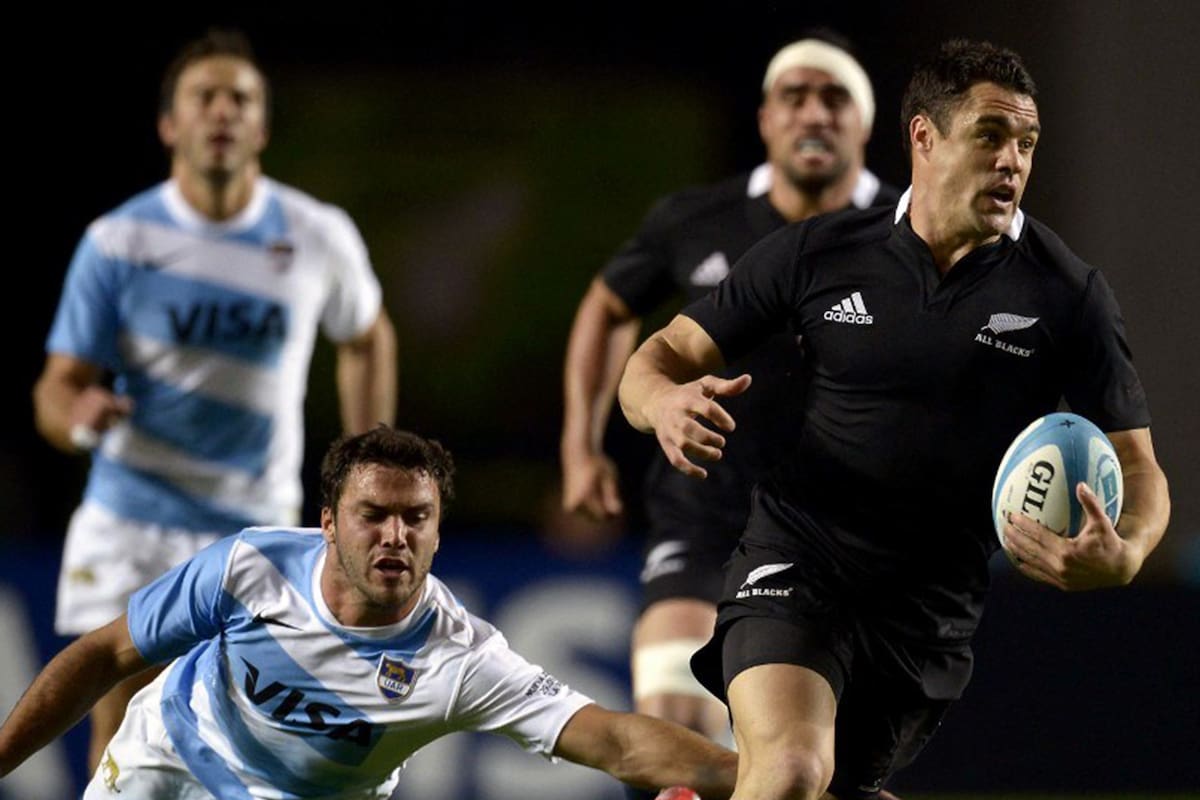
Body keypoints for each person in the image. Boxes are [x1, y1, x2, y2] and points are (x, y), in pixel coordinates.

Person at [616, 38, 1170, 800]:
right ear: (923, 137)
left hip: (926, 614)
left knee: (829, 784)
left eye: (1028, 143)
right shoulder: (820, 251)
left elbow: (1138, 467)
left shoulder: (1067, 294)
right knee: (791, 771)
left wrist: (1128, 551)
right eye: (990, 135)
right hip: (799, 556)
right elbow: (660, 355)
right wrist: (662, 403)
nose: (1013, 160)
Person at [0, 426, 736, 800]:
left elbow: (614, 742)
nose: (395, 537)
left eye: (416, 517)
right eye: (372, 515)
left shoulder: (462, 659)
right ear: (327, 522)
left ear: (439, 528)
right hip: (161, 771)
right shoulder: (248, 566)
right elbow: (105, 656)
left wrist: (772, 778)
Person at [31, 27, 398, 773]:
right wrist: (77, 419)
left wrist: (369, 459)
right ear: (171, 124)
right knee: (126, 735)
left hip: (249, 524)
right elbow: (56, 384)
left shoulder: (316, 234)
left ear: (261, 126)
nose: (224, 111)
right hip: (134, 514)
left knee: (234, 745)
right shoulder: (120, 242)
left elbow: (366, 334)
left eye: (243, 98)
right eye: (206, 96)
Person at [559, 32, 900, 752]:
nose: (813, 113)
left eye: (835, 98)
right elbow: (608, 306)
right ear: (766, 119)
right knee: (673, 733)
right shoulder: (695, 220)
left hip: (847, 533)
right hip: (705, 508)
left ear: (865, 124)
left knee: (800, 762)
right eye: (794, 96)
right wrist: (580, 446)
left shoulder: (912, 234)